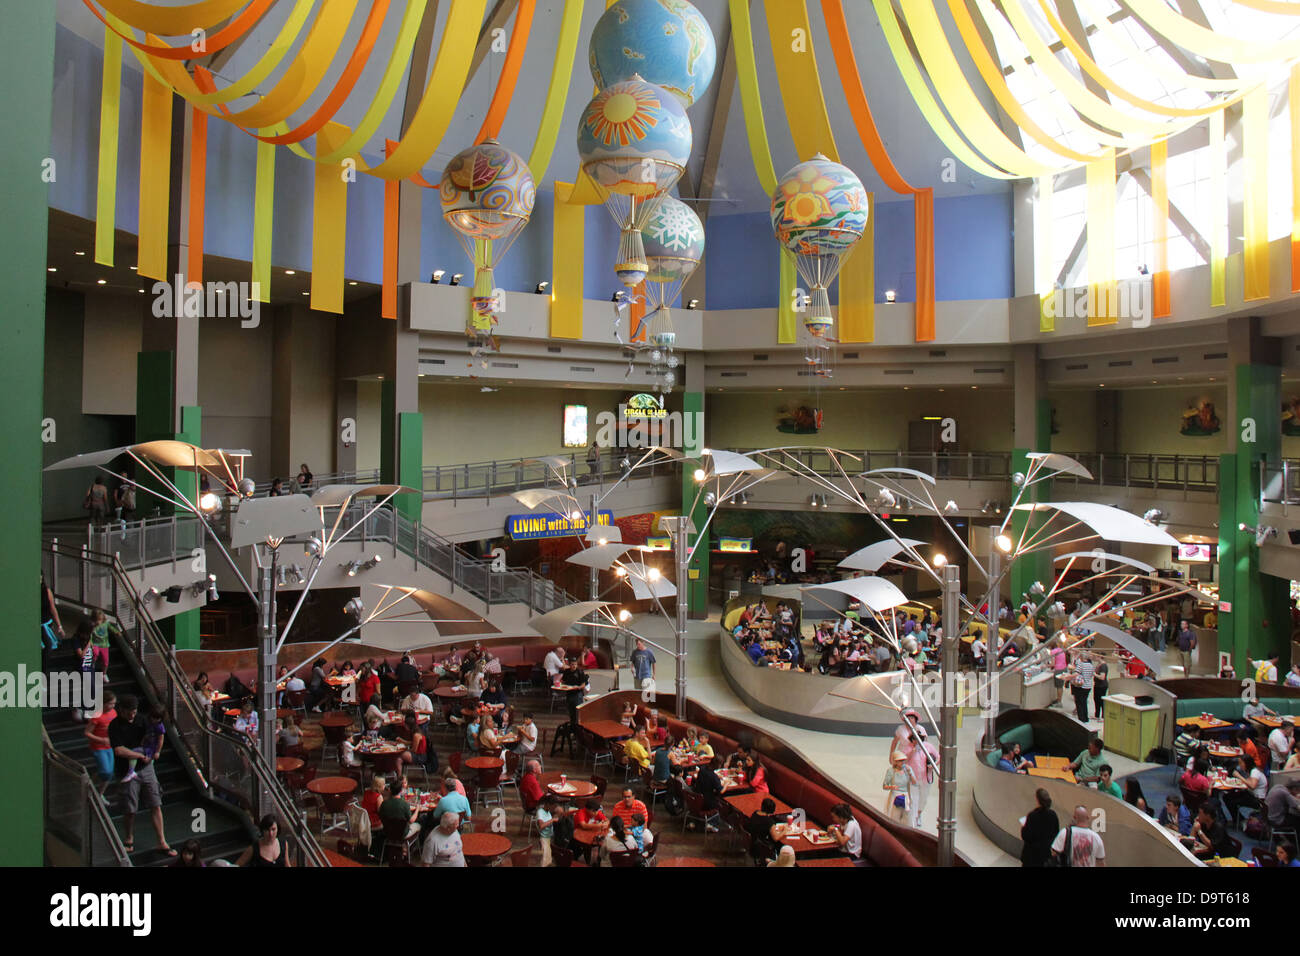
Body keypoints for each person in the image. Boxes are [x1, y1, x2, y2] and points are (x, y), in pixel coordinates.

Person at [108, 694, 175, 856]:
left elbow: (157, 734)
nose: (132, 715)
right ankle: (129, 837)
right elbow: (118, 750)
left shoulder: (142, 720)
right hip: (127, 770)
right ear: (122, 710)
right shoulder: (115, 726)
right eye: (129, 712)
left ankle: (161, 841)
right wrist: (138, 755)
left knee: (155, 802)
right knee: (130, 808)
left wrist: (154, 752)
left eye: (134, 711)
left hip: (146, 768)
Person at [84, 690, 118, 794]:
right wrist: (102, 740)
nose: (113, 706)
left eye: (114, 703)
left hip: (110, 746)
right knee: (105, 771)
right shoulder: (97, 715)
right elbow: (87, 733)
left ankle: (100, 793)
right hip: (98, 747)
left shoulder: (113, 713)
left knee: (110, 773)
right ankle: (89, 786)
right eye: (110, 703)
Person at [1019, 789, 1059, 867]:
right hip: (1045, 854)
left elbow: (1026, 836)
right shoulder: (1053, 815)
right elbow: (1056, 833)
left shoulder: (1032, 816)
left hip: (1031, 855)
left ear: (1037, 799)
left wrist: (1023, 827)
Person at [882, 751, 915, 823]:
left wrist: (910, 773)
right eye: (900, 761)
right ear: (896, 762)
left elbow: (914, 782)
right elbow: (884, 786)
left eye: (903, 761)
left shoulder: (908, 770)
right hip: (895, 796)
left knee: (907, 818)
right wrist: (892, 787)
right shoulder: (891, 771)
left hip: (906, 796)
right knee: (894, 816)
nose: (902, 762)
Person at [1066, 650, 1096, 722]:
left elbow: (1076, 674)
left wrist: (1067, 677)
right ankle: (1085, 718)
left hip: (1081, 686)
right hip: (1088, 686)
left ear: (1082, 657)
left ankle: (1081, 719)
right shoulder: (1091, 665)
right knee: (1084, 702)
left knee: (1079, 703)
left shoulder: (1081, 665)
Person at [40, 572, 64, 651]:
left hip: (47, 623)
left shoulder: (47, 591)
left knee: (49, 646)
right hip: (38, 626)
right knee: (46, 646)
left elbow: (52, 608)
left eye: (41, 577)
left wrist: (59, 626)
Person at [537, 794, 561, 866]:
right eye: (553, 806)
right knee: (545, 860)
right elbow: (541, 826)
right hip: (544, 838)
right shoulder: (540, 812)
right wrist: (552, 820)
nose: (554, 808)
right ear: (548, 804)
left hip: (549, 837)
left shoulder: (547, 812)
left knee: (548, 858)